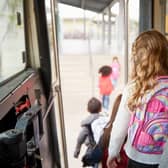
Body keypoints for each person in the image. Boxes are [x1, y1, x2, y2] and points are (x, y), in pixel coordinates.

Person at [106, 30, 168, 168]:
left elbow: (120, 125)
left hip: (136, 157)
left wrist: (113, 152)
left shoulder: (134, 87)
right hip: (163, 158)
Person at [74, 97, 103, 167]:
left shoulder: (87, 124)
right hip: (104, 148)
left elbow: (80, 138)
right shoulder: (104, 120)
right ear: (100, 109)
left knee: (95, 162)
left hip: (93, 149)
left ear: (88, 109)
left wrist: (77, 151)